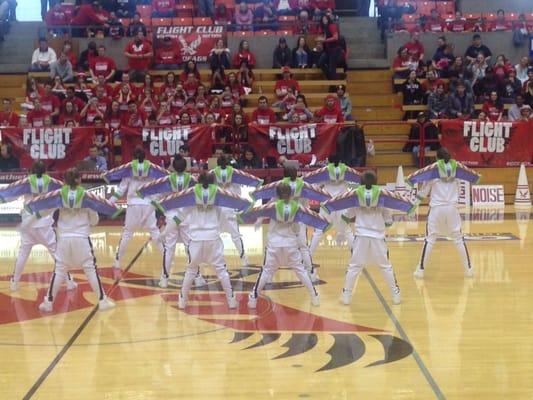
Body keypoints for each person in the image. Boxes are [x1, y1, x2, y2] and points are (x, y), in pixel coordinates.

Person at [154, 172, 251, 309]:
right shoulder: (217, 195)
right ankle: (231, 300)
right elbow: (225, 217)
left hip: (196, 240)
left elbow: (177, 219)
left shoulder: (191, 196)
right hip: (213, 239)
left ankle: (182, 301)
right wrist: (232, 231)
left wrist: (164, 233)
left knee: (191, 271)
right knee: (222, 271)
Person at [27, 168, 117, 312]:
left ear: (65, 181)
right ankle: (102, 301)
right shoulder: (87, 196)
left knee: (59, 270)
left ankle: (48, 302)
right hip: (81, 239)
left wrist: (29, 220)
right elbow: (94, 220)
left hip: (63, 239)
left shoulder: (58, 195)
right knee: (91, 270)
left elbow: (44, 211)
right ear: (79, 180)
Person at [322, 170, 414, 305]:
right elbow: (388, 221)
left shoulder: (355, 196)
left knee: (354, 267)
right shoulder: (383, 196)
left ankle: (346, 295)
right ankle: (396, 294)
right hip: (378, 237)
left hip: (360, 237)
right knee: (385, 267)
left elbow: (347, 216)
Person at [0, 162, 76, 292]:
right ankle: (69, 281)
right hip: (45, 224)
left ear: (31, 172)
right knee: (57, 255)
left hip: (28, 224)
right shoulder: (52, 182)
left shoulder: (26, 182)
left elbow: (10, 195)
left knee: (23, 255)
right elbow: (67, 191)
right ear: (45, 171)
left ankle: (14, 282)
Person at [244, 184, 323, 308]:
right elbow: (297, 229)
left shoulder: (271, 207)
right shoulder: (297, 207)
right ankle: (315, 296)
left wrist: (258, 221)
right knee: (301, 271)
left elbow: (255, 212)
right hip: (291, 245)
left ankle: (253, 298)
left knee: (266, 271)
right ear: (291, 194)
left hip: (274, 246)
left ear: (277, 195)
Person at [409, 148, 481, 279]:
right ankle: (469, 269)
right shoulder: (457, 170)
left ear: (437, 158)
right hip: (452, 209)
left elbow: (424, 191)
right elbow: (467, 181)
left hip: (436, 209)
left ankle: (420, 270)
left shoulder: (432, 171)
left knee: (429, 240)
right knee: (459, 239)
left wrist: (413, 205)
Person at [137, 156, 207, 288]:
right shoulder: (192, 180)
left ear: (173, 167)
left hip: (171, 218)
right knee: (190, 248)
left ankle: (164, 278)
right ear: (186, 167)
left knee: (169, 249)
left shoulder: (167, 180)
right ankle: (197, 277)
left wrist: (145, 216)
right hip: (186, 218)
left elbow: (156, 199)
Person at [251, 166, 330, 281]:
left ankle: (268, 275)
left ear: (285, 175)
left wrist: (260, 219)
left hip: (280, 221)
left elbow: (271, 204)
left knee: (271, 248)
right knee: (303, 248)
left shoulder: (281, 185)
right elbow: (316, 192)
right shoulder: (303, 185)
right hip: (299, 219)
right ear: (296, 173)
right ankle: (312, 274)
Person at [105, 147, 167, 269]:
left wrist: (110, 202)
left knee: (127, 233)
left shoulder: (129, 169)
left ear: (133, 157)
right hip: (148, 204)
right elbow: (160, 186)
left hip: (133, 204)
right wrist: (156, 199)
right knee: (154, 233)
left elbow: (121, 189)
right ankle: (166, 258)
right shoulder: (152, 168)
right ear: (145, 156)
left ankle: (117, 261)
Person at [211, 156, 263, 266]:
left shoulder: (213, 173)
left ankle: (216, 259)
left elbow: (200, 181)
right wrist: (258, 182)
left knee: (215, 235)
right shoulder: (235, 173)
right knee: (235, 235)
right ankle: (244, 258)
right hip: (230, 208)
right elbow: (250, 181)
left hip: (218, 209)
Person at [305, 155, 361, 255]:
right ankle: (356, 257)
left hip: (327, 205)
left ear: (329, 161)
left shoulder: (324, 171)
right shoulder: (346, 170)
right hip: (342, 205)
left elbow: (315, 184)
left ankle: (308, 258)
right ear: (340, 161)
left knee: (318, 231)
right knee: (347, 231)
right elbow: (357, 181)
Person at [317, 14, 342, 79]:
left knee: (332, 68)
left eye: (325, 19)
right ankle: (331, 78)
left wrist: (325, 40)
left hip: (335, 49)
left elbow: (335, 37)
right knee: (320, 63)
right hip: (328, 50)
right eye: (323, 20)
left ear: (328, 19)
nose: (324, 21)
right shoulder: (324, 29)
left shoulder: (332, 26)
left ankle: (333, 85)